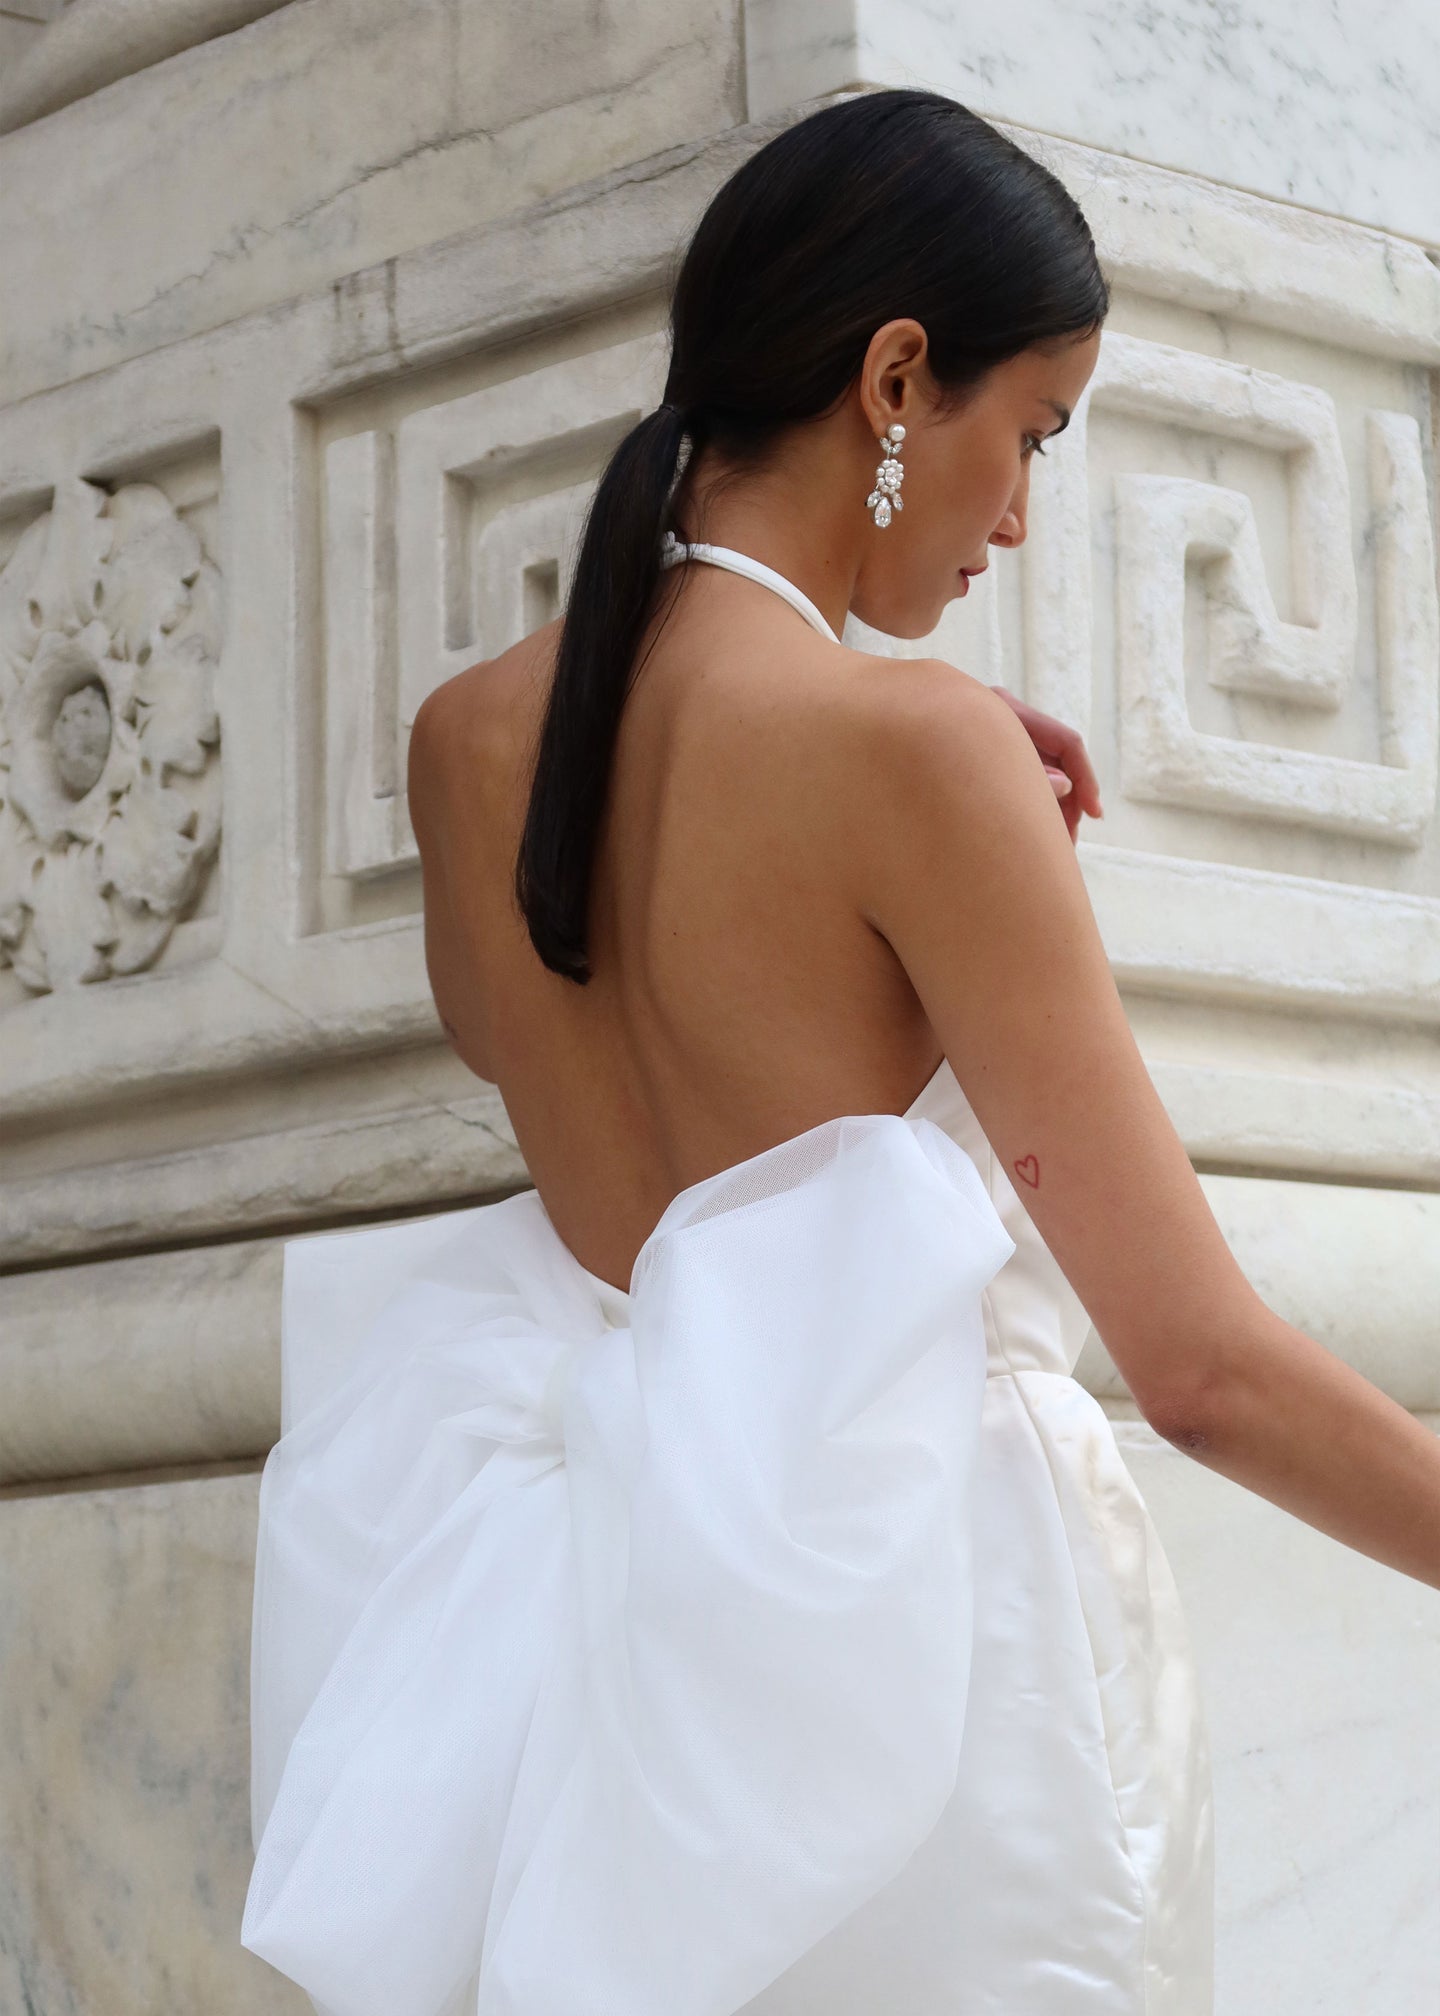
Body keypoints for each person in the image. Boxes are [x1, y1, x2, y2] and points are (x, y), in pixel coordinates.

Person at [241, 88, 1440, 2016]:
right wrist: (924, 779)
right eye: (1030, 432)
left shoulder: (470, 748)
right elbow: (1204, 1371)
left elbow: (563, 1019)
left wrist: (902, 762)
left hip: (624, 1698)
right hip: (931, 1673)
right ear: (900, 380)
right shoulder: (916, 757)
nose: (1026, 512)